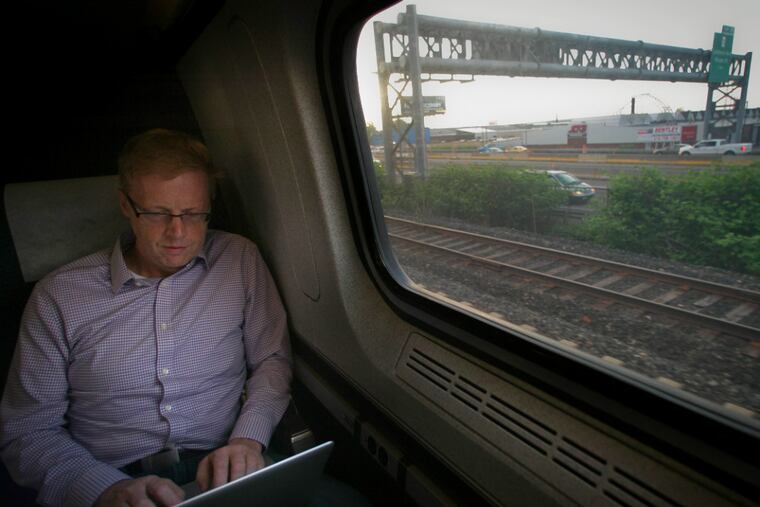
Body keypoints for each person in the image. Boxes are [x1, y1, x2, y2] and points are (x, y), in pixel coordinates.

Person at [0, 129, 292, 506]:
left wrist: (248, 439)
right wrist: (101, 488)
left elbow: (272, 359)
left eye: (193, 214)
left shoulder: (238, 259)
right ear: (126, 204)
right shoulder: (59, 295)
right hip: (113, 478)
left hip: (224, 465)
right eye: (157, 213)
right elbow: (27, 429)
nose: (178, 232)